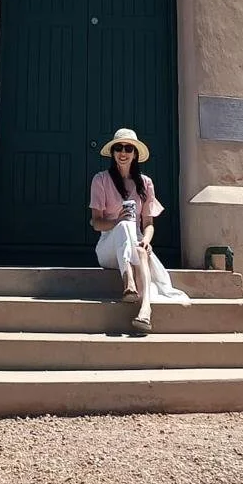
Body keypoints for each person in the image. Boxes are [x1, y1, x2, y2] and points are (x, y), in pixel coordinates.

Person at [89, 127, 189, 334]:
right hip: (108, 247)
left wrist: (147, 240)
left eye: (128, 148)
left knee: (141, 249)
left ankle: (145, 311)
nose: (123, 152)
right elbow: (96, 223)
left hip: (136, 242)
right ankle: (129, 279)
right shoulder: (101, 180)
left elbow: (148, 223)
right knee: (126, 224)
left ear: (135, 154)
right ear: (113, 153)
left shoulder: (145, 183)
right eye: (118, 148)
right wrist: (117, 220)